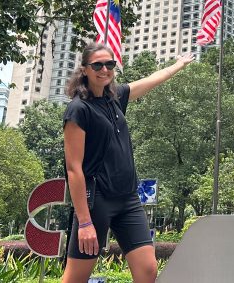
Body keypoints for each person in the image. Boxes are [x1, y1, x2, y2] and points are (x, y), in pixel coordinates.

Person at [61, 43, 194, 283]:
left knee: (147, 270)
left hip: (128, 200)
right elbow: (74, 168)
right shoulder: (78, 109)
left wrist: (178, 65)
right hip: (96, 202)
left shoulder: (116, 98)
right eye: (97, 64)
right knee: (75, 278)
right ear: (85, 70)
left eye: (109, 64)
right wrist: (84, 221)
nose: (104, 69)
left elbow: (152, 80)